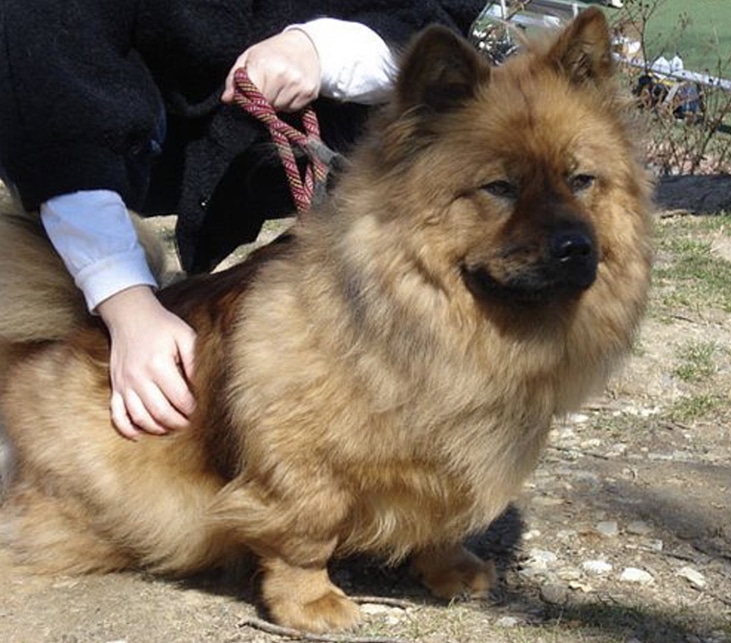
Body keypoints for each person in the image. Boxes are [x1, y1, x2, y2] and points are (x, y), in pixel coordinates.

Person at [0, 1, 485, 440]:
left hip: (326, 120)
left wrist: (320, 49)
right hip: (127, 109)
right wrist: (126, 307)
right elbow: (51, 86)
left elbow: (439, 23)